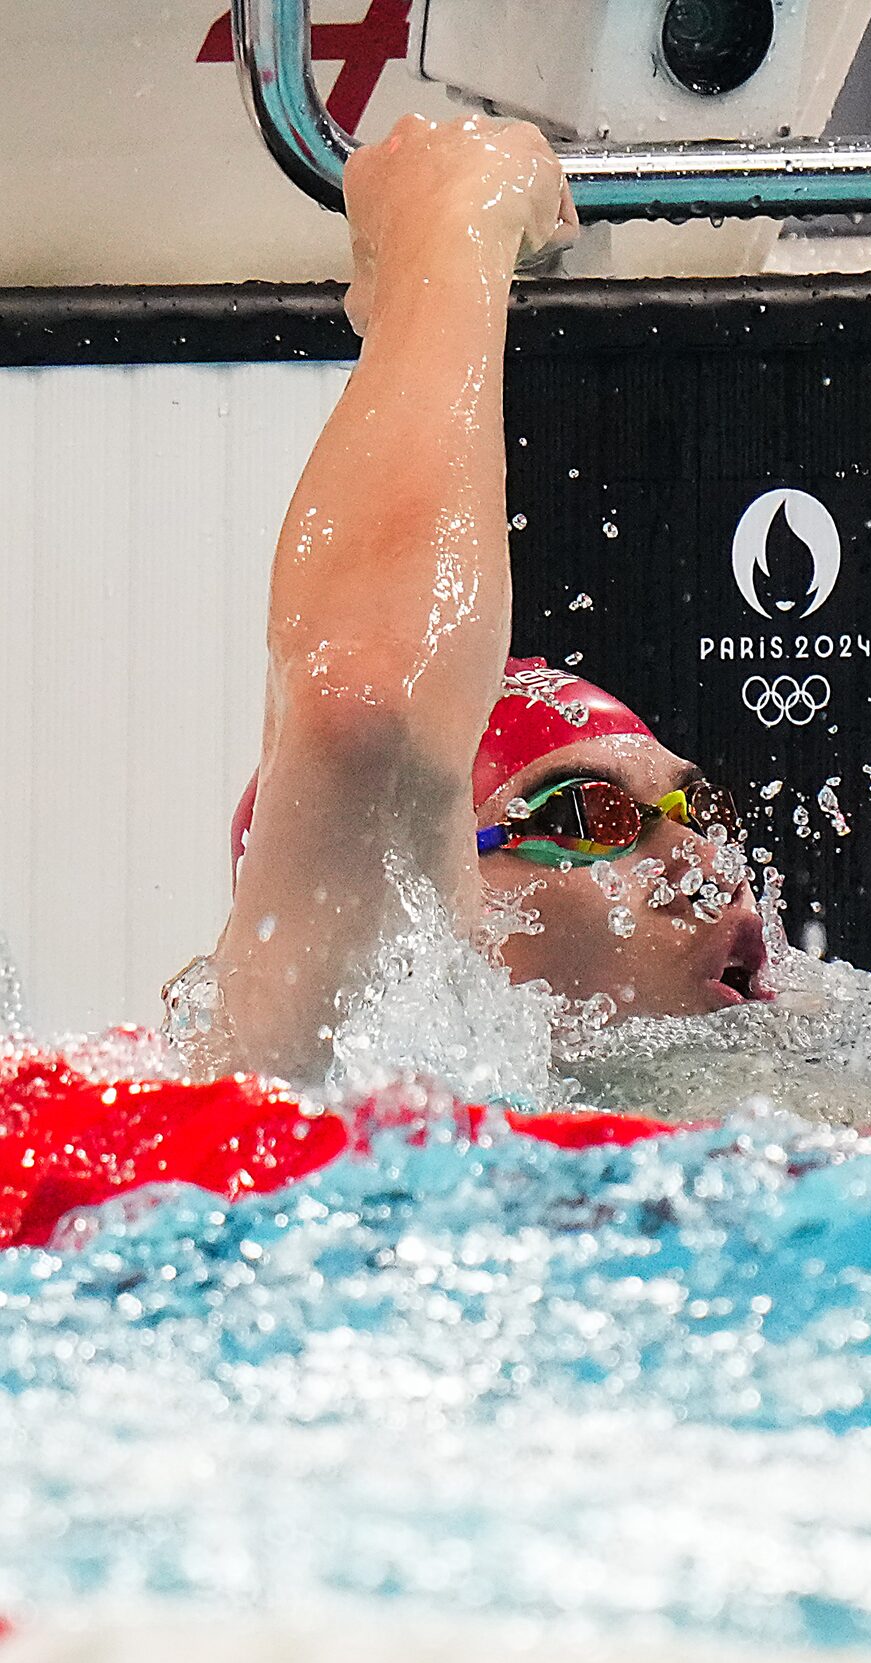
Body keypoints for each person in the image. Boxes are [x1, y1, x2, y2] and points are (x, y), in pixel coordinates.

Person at [200, 113, 772, 1087]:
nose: (705, 866)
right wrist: (450, 228)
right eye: (589, 815)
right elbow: (364, 707)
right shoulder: (318, 1075)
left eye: (701, 808)